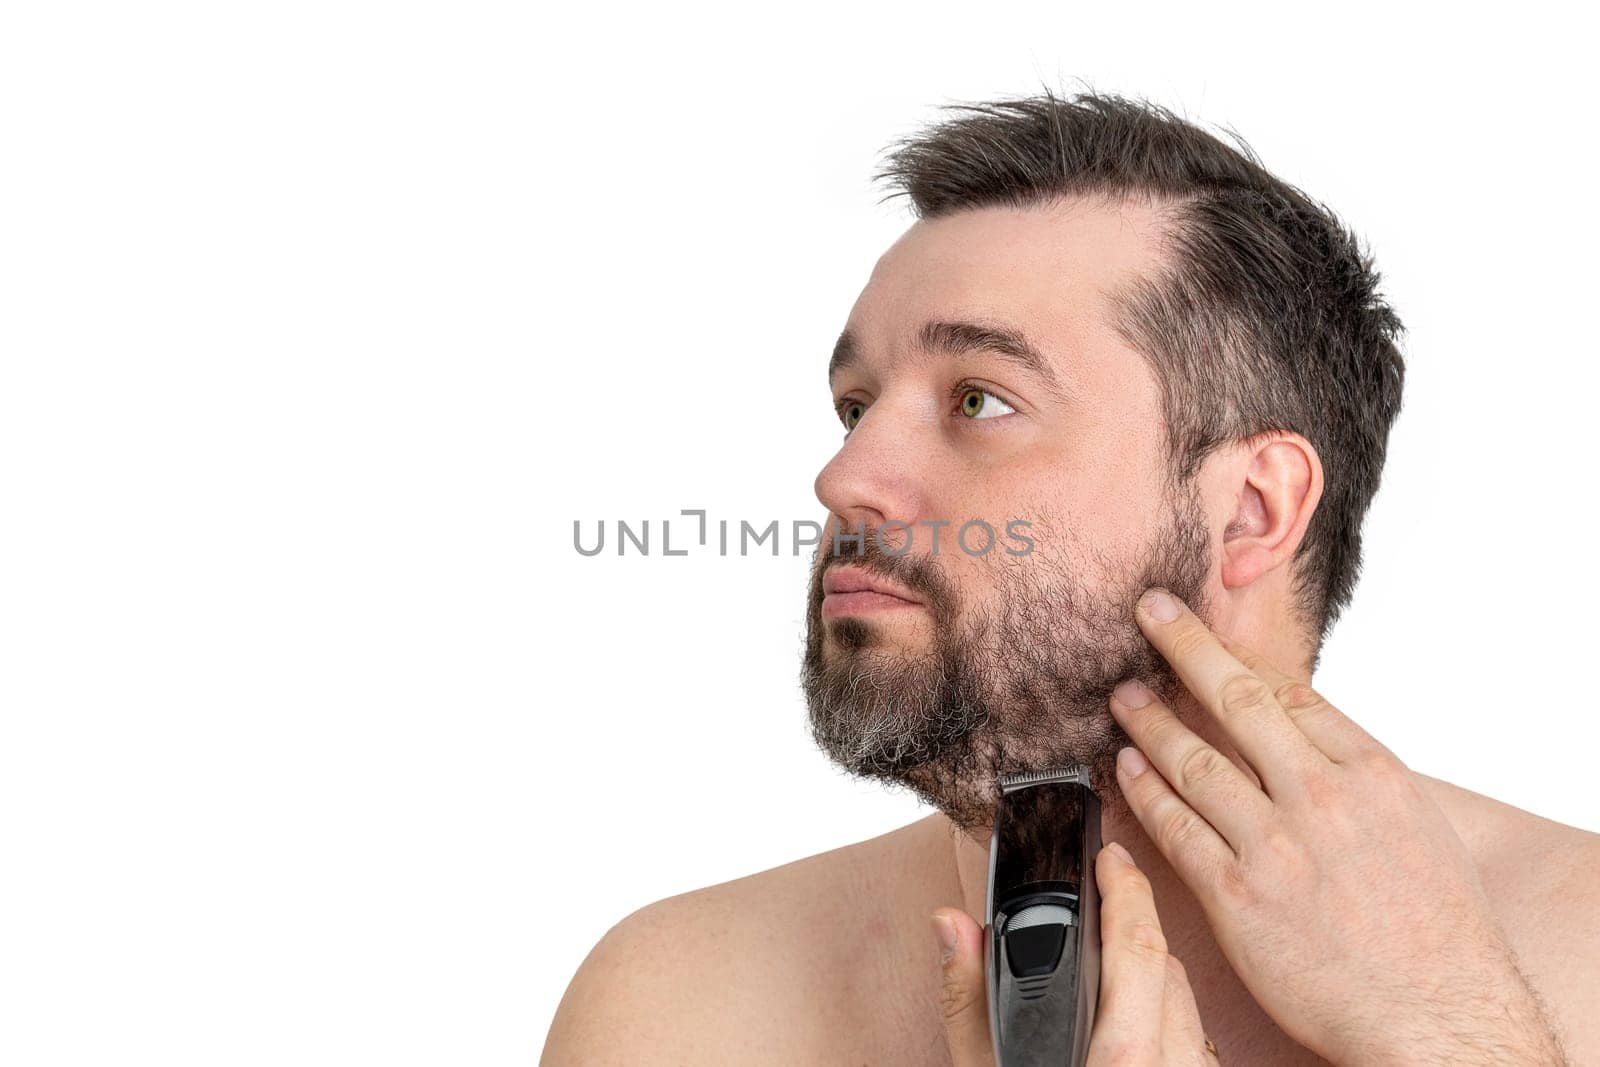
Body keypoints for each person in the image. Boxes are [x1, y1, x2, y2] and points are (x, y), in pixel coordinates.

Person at [541, 88, 1596, 1064]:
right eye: (856, 405)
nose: (845, 476)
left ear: (1251, 509)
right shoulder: (683, 1005)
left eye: (978, 400)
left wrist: (1457, 1030)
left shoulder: (1572, 959)